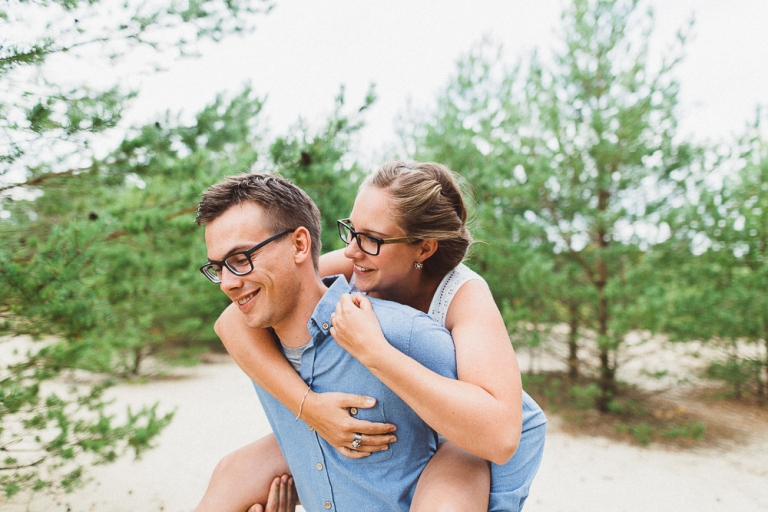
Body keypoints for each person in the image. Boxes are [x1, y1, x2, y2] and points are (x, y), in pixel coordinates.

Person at [198, 162, 547, 512]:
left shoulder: (464, 296)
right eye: (350, 230)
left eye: (371, 239)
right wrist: (312, 409)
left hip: (461, 436)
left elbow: (501, 435)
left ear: (424, 249)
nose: (351, 251)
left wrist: (376, 352)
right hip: (390, 419)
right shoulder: (361, 263)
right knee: (234, 472)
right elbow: (234, 320)